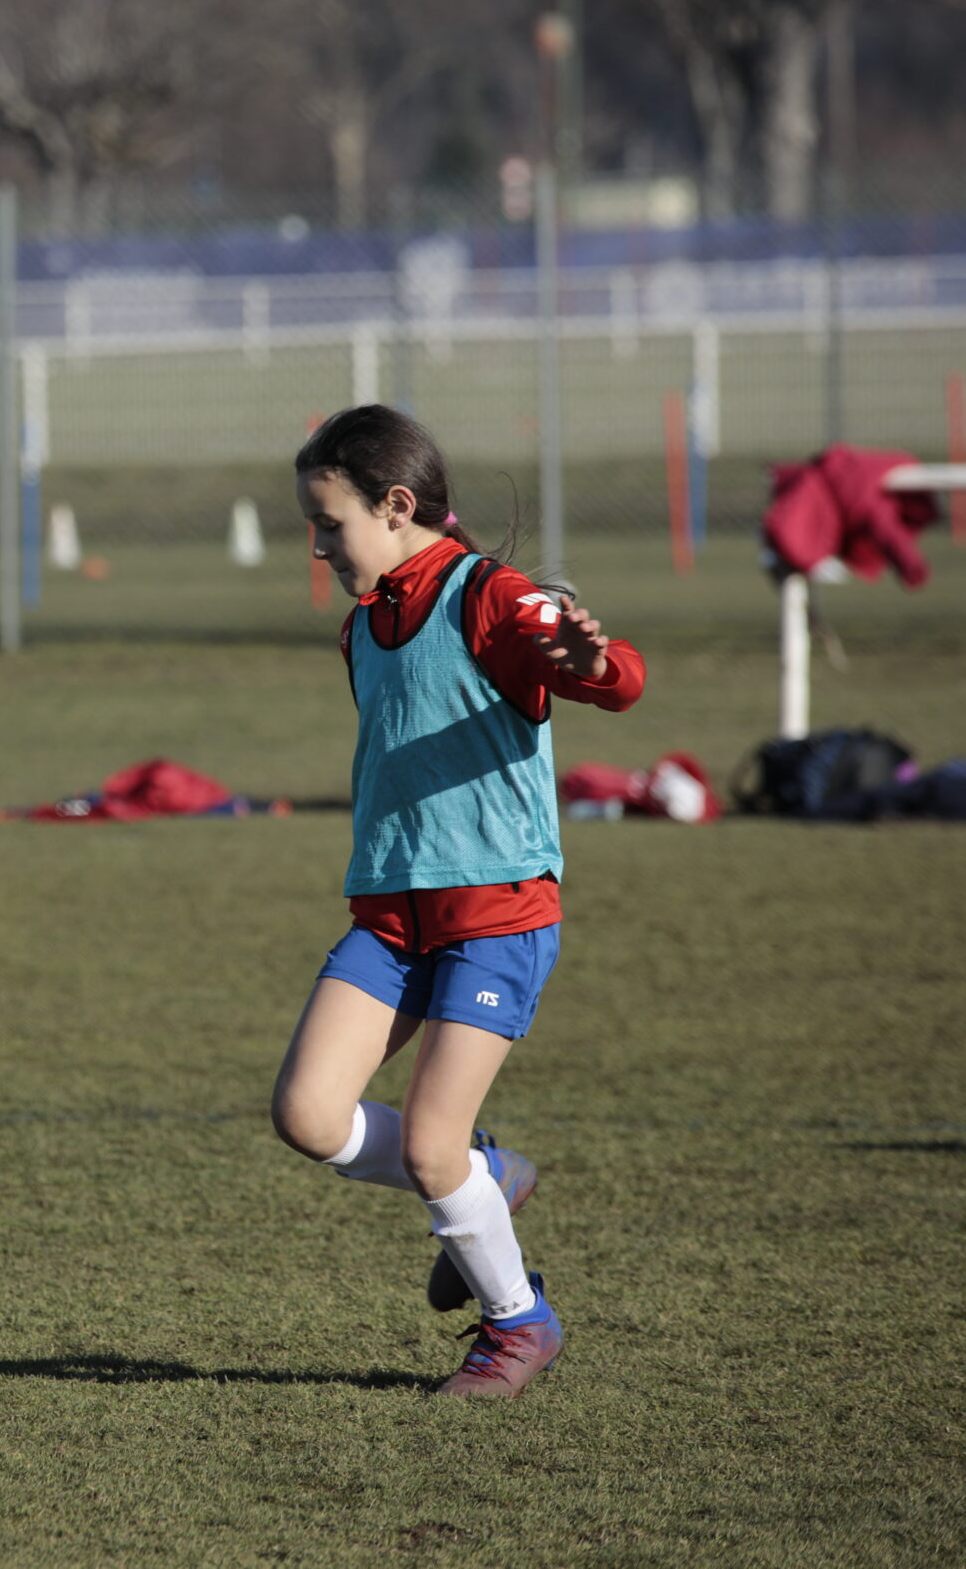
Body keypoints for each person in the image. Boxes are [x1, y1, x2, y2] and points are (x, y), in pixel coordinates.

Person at [269, 405, 645, 1399]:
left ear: (396, 507)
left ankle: (518, 1326)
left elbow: (617, 678)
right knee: (308, 1116)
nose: (316, 543)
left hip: (494, 917)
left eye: (328, 522)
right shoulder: (363, 628)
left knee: (430, 1150)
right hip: (391, 920)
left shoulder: (491, 596)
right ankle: (488, 1175)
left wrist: (587, 664)